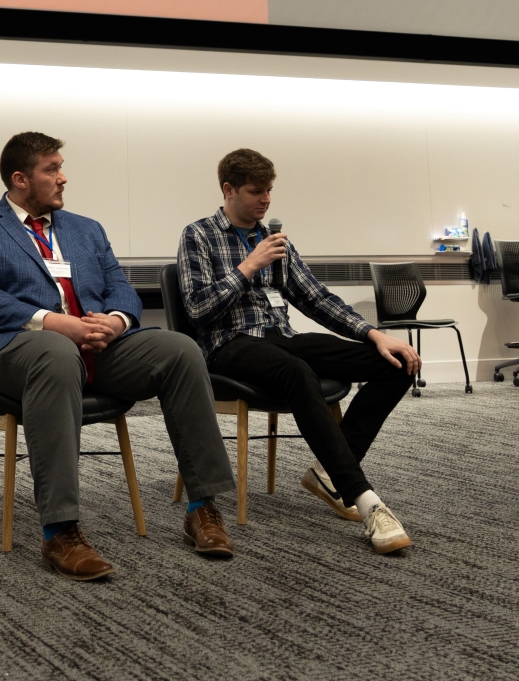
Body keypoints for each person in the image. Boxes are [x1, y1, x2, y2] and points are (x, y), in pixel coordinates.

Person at [0, 132, 239, 579]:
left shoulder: (87, 229)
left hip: (96, 347)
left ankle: (202, 507)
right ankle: (60, 531)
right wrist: (54, 321)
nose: (64, 178)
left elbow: (119, 287)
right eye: (52, 169)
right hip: (10, 350)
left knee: (179, 350)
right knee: (55, 352)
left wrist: (117, 320)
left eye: (62, 167)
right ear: (20, 179)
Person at [175, 148, 421, 554]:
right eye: (256, 191)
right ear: (228, 189)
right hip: (227, 345)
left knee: (394, 364)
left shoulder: (272, 239)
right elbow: (198, 310)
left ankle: (329, 476)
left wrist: (374, 334)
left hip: (280, 336)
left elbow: (316, 298)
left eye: (269, 191)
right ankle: (365, 501)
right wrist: (248, 267)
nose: (266, 200)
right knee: (295, 372)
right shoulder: (198, 235)